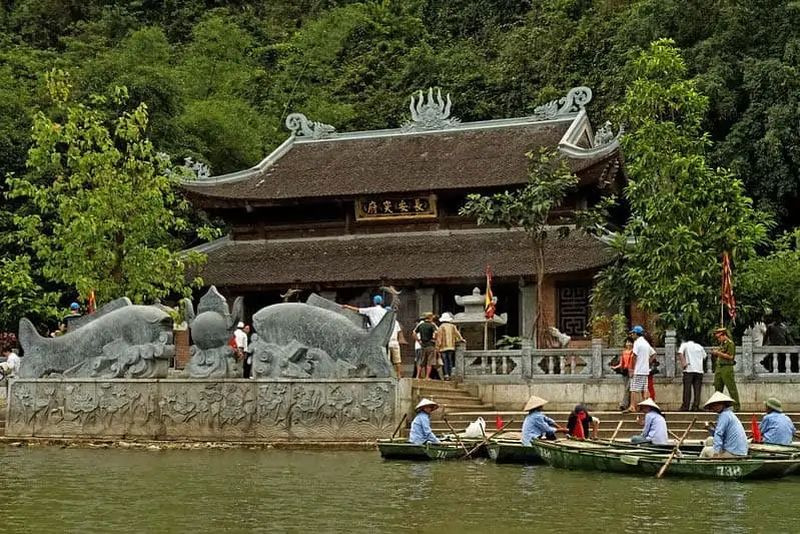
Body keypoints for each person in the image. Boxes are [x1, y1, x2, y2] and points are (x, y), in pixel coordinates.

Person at [700, 391, 748, 458]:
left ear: (723, 404)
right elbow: (721, 435)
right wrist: (709, 429)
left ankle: (700, 465)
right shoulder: (728, 414)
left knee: (705, 450)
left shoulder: (724, 416)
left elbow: (718, 434)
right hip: (739, 451)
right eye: (714, 405)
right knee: (709, 440)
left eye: (718, 404)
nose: (715, 407)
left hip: (733, 453)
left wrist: (716, 453)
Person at [711, 327, 740, 411]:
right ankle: (717, 406)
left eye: (719, 337)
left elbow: (730, 356)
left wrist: (718, 353)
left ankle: (736, 406)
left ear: (724, 335)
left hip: (727, 367)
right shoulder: (722, 344)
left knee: (731, 388)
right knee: (717, 387)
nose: (719, 339)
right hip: (719, 367)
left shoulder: (730, 344)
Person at [678, 339, 707, 411]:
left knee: (687, 389)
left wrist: (683, 363)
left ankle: (685, 406)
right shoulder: (700, 346)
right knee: (697, 389)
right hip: (699, 370)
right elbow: (705, 356)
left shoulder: (684, 345)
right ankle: (695, 406)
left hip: (689, 369)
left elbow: (680, 353)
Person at [628, 325, 652, 410]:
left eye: (633, 333)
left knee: (633, 388)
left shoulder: (637, 343)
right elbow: (653, 354)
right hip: (645, 370)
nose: (632, 335)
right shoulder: (645, 343)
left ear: (636, 333)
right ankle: (647, 406)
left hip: (638, 370)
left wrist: (632, 368)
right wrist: (647, 362)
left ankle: (632, 406)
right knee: (644, 388)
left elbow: (634, 356)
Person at [436, 313, 464, 381]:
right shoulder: (452, 326)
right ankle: (450, 374)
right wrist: (461, 339)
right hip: (451, 346)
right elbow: (457, 334)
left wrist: (437, 347)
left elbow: (439, 338)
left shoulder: (441, 327)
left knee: (445, 361)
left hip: (443, 347)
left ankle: (446, 375)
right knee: (450, 361)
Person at [611, 339, 635, 411]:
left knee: (628, 388)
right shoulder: (624, 352)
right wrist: (615, 367)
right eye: (627, 342)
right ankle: (629, 405)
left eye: (630, 342)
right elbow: (621, 363)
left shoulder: (634, 352)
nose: (628, 344)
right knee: (627, 389)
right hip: (625, 372)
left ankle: (623, 404)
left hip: (631, 371)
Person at [413, 312, 438, 380]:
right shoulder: (432, 325)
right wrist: (434, 339)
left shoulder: (421, 325)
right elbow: (436, 333)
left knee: (421, 362)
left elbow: (414, 332)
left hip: (422, 345)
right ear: (430, 317)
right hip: (430, 345)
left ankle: (417, 376)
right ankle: (427, 376)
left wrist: (418, 340)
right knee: (429, 362)